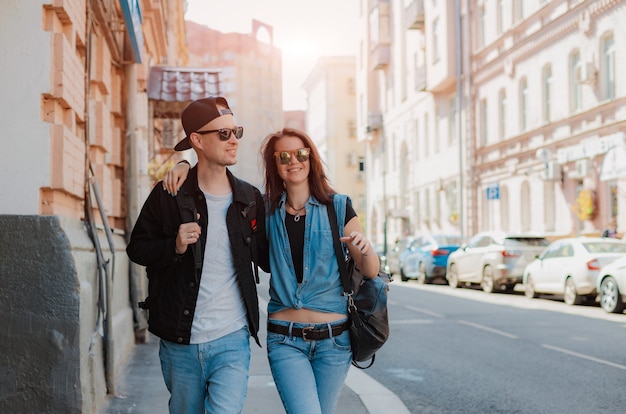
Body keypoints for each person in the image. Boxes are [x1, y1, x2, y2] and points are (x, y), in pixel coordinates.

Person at [165, 127, 380, 414]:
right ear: (274, 165)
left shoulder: (338, 207)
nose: (294, 160)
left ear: (312, 159)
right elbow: (218, 186)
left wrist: (365, 248)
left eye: (301, 153)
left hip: (335, 343)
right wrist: (184, 165)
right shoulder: (262, 210)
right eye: (284, 156)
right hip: (286, 341)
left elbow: (370, 270)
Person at [126, 96, 269, 414]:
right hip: (180, 341)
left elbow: (271, 256)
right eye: (223, 134)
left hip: (232, 339)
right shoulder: (170, 193)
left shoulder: (249, 199)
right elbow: (137, 247)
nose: (233, 141)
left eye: (236, 132)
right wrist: (174, 247)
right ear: (197, 140)